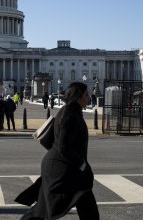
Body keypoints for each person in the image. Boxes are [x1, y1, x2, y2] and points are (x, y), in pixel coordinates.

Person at [16, 82, 99, 220]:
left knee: (85, 206)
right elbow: (63, 147)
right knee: (45, 209)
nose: (88, 97)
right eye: (85, 95)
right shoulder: (69, 116)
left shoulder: (72, 112)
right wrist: (82, 165)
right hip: (61, 170)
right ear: (77, 97)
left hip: (66, 168)